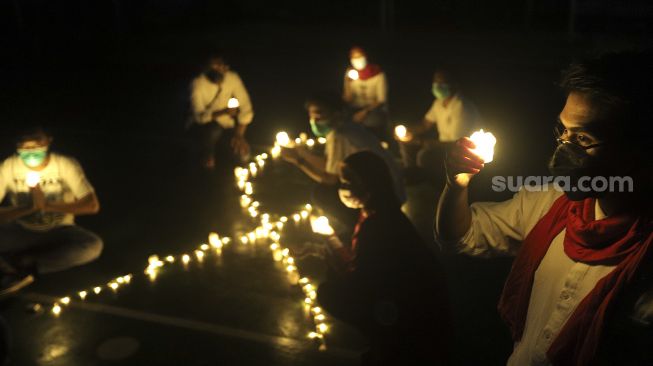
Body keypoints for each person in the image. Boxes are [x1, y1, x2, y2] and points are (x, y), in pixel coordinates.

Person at [435, 51, 653, 365]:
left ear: (637, 149)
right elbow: (460, 237)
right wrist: (456, 185)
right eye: (562, 132)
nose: (563, 152)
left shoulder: (644, 260)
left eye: (582, 137)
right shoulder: (549, 202)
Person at [309, 151, 452, 365]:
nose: (343, 188)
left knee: (329, 292)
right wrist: (327, 242)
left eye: (350, 181)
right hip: (404, 296)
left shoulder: (380, 225)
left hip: (411, 308)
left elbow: (360, 277)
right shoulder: (375, 211)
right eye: (342, 181)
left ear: (370, 183)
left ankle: (386, 342)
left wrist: (331, 247)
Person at [0, 127, 103, 296]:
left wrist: (47, 206)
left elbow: (91, 206)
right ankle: (14, 264)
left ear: (48, 140)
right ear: (17, 146)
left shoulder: (65, 164)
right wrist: (26, 209)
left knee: (92, 246)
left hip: (60, 230)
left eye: (37, 142)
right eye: (25, 145)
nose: (31, 148)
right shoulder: (8, 167)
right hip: (19, 230)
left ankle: (27, 263)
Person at [280, 93, 405, 228]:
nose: (314, 119)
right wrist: (301, 152)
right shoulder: (346, 127)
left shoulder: (339, 135)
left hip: (383, 199)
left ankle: (356, 227)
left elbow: (330, 179)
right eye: (311, 114)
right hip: (392, 190)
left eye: (319, 112)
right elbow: (329, 165)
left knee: (322, 193)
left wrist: (299, 161)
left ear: (335, 112)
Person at [397, 68, 481, 183]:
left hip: (460, 151)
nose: (437, 86)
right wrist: (407, 132)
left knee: (424, 155)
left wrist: (420, 142)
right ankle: (411, 174)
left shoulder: (461, 107)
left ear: (454, 84)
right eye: (435, 82)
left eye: (442, 83)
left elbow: (456, 143)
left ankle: (432, 184)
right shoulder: (438, 103)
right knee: (404, 142)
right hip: (444, 146)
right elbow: (425, 124)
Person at [188, 53, 253, 169]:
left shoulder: (232, 78)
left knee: (243, 155)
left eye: (223, 65)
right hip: (204, 127)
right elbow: (199, 117)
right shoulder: (198, 83)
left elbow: (246, 108)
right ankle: (208, 157)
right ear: (207, 67)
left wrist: (239, 135)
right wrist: (224, 112)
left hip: (227, 125)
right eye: (217, 66)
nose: (223, 69)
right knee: (214, 130)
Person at [343, 46, 390, 142]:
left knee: (371, 125)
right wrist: (347, 83)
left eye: (360, 56)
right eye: (354, 58)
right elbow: (348, 99)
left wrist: (365, 112)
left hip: (374, 109)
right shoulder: (350, 73)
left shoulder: (378, 74)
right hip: (355, 109)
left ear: (365, 57)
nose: (357, 60)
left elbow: (381, 100)